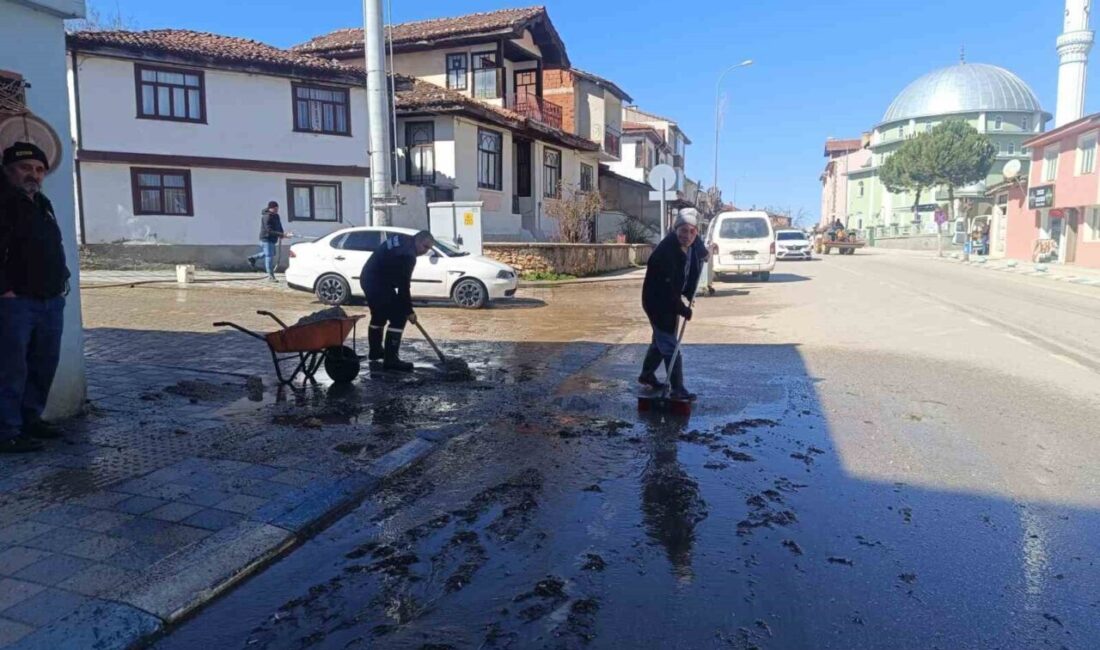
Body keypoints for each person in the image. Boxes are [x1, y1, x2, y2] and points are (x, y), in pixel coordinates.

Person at [0, 142, 70, 453]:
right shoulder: (3, 203)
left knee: (44, 364)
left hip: (50, 301)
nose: (34, 175)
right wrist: (5, 290)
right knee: (11, 369)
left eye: (39, 169)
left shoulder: (42, 204)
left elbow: (52, 244)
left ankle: (31, 419)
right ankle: (6, 431)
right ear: (8, 171)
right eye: (26, 168)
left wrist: (63, 277)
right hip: (16, 303)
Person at [639, 210, 702, 401]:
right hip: (658, 303)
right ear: (675, 229)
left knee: (660, 343)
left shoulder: (687, 245)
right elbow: (668, 289)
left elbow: (694, 258)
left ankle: (647, 375)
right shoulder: (666, 253)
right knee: (670, 346)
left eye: (692, 231)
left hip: (668, 302)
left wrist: (705, 251)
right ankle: (678, 389)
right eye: (683, 230)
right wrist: (683, 309)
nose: (687, 236)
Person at [360, 230, 435, 371]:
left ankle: (375, 352)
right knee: (399, 317)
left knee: (379, 315)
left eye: (428, 249)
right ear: (418, 241)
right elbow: (403, 285)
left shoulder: (403, 240)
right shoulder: (408, 255)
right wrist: (408, 311)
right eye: (425, 247)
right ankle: (391, 360)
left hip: (369, 278)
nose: (425, 252)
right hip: (378, 282)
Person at [247, 201, 285, 281]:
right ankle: (270, 276)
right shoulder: (266, 217)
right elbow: (269, 230)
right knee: (269, 256)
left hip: (272, 239)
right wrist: (279, 234)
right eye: (275, 208)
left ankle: (253, 258)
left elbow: (279, 226)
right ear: (270, 208)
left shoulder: (276, 216)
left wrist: (282, 234)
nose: (276, 210)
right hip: (266, 238)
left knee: (270, 253)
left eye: (277, 208)